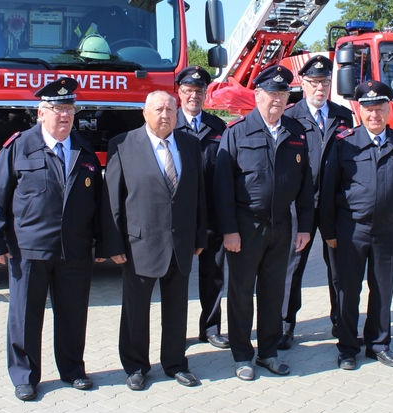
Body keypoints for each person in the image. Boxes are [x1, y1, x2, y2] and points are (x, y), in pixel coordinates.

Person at [0, 78, 104, 401]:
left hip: (74, 249)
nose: (64, 115)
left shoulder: (84, 150)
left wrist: (103, 243)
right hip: (29, 248)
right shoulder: (19, 147)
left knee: (73, 313)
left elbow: (99, 203)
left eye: (70, 109)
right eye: (57, 109)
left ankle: (72, 369)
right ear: (41, 112)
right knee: (25, 315)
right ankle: (24, 376)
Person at [214, 64, 314, 381]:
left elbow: (306, 185)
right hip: (246, 228)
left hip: (281, 226)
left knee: (273, 293)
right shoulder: (237, 132)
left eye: (283, 93)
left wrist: (305, 226)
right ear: (258, 95)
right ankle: (243, 355)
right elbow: (222, 188)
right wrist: (229, 230)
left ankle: (268, 352)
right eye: (272, 93)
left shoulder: (296, 133)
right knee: (241, 294)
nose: (278, 99)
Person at [102, 91, 207, 391]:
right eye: (159, 109)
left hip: (180, 243)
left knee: (177, 309)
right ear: (145, 113)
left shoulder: (189, 144)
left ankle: (175, 363)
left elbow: (199, 193)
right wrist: (114, 244)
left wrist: (200, 234)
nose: (165, 115)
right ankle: (136, 366)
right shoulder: (123, 144)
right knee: (136, 310)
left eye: (170, 110)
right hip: (139, 244)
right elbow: (112, 199)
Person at [320, 80, 393, 371]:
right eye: (369, 109)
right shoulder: (345, 142)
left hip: (389, 231)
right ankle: (347, 348)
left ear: (388, 109)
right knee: (347, 291)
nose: (374, 115)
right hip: (350, 230)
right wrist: (328, 231)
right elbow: (328, 189)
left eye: (380, 109)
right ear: (360, 111)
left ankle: (379, 344)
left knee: (383, 290)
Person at [279, 55, 354, 348]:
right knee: (293, 267)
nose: (319, 88)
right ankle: (285, 326)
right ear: (303, 83)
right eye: (313, 82)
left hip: (334, 204)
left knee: (339, 268)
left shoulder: (343, 116)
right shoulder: (291, 116)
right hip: (301, 205)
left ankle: (341, 322)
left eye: (324, 82)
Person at [175, 65, 229, 349]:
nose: (193, 96)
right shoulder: (169, 125)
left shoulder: (218, 127)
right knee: (177, 278)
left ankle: (210, 328)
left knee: (213, 275)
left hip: (211, 215)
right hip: (180, 217)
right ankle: (175, 334)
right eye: (188, 90)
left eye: (199, 91)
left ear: (206, 94)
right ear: (179, 93)